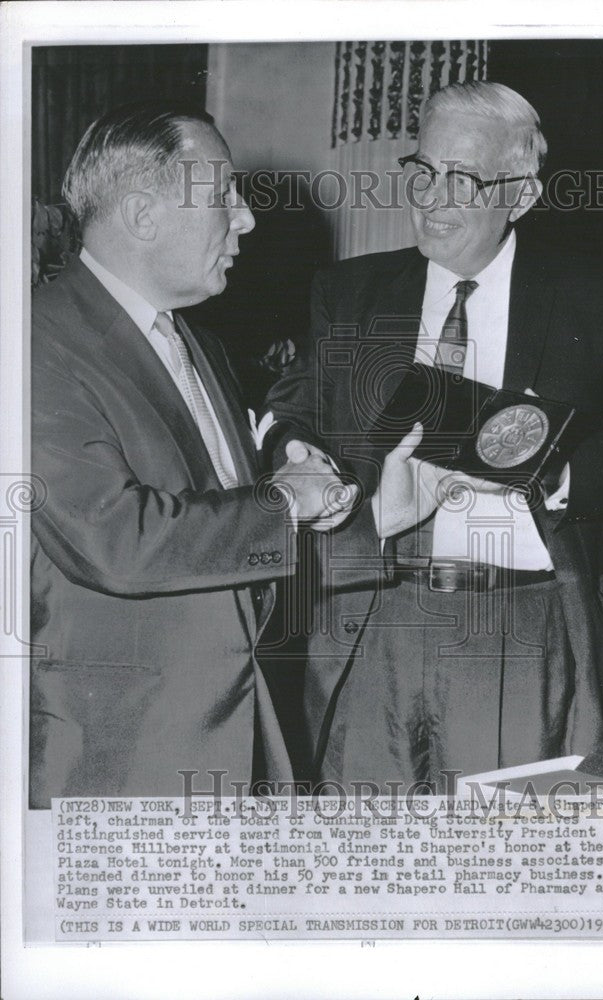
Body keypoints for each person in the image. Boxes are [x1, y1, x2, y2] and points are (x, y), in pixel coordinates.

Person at [266, 81, 603, 793]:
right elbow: (294, 416)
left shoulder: (598, 296)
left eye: (464, 178)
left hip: (525, 621)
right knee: (364, 860)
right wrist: (293, 450)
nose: (431, 197)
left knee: (513, 857)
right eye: (423, 170)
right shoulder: (347, 293)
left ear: (522, 195)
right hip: (374, 616)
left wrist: (554, 468)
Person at [29, 102, 370, 806]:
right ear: (143, 215)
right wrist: (287, 500)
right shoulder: (34, 341)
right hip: (117, 761)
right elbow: (117, 539)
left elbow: (225, 520)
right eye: (223, 197)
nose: (244, 219)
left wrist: (323, 479)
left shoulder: (199, 345)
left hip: (239, 741)